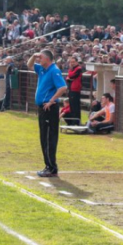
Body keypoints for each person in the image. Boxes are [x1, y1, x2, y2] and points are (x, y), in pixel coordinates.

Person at [28, 50, 68, 178]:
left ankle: (51, 167)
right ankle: (48, 166)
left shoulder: (54, 70)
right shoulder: (42, 69)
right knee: (43, 138)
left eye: (41, 57)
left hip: (49, 108)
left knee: (48, 138)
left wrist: (52, 100)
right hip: (43, 108)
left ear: (48, 59)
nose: (39, 60)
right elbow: (29, 65)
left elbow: (62, 87)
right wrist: (34, 56)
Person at [66, 55, 84, 125]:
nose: (72, 63)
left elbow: (71, 76)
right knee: (72, 106)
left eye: (73, 62)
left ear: (77, 62)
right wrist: (69, 78)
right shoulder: (73, 69)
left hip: (75, 89)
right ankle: (74, 121)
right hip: (71, 89)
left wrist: (69, 76)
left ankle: (76, 121)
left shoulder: (78, 68)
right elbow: (68, 78)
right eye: (71, 62)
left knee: (75, 106)